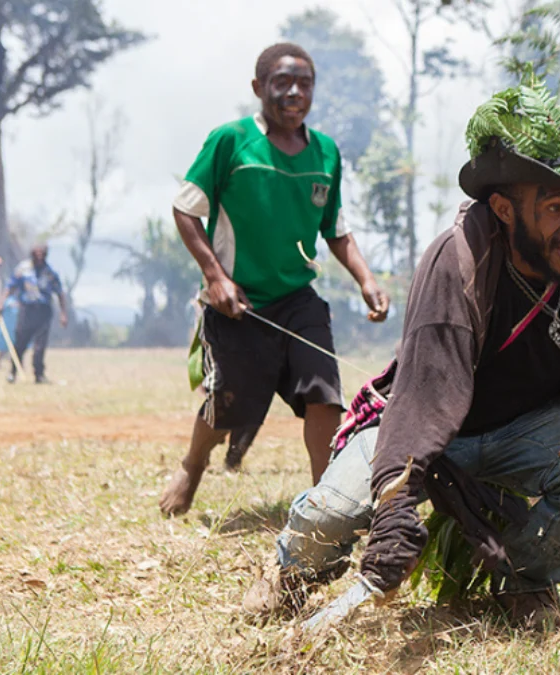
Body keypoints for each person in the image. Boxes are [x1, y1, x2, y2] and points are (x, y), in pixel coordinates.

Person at [241, 79, 560, 629]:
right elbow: (425, 398)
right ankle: (288, 575)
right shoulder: (457, 260)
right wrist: (394, 505)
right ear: (505, 209)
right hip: (422, 424)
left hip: (528, 428)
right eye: (557, 207)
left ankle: (524, 578)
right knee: (332, 514)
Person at [159, 43, 389, 517]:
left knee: (324, 393)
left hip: (298, 300)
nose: (293, 92)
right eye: (282, 81)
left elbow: (336, 228)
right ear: (258, 87)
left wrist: (367, 279)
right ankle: (193, 465)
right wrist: (215, 277)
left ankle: (328, 505)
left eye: (304, 83)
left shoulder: (326, 152)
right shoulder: (230, 141)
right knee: (227, 407)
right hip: (236, 304)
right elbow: (185, 208)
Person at [6, 243, 69, 384]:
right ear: (32, 254)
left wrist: (63, 313)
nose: (39, 257)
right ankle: (13, 372)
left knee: (40, 346)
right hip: (27, 310)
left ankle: (39, 375)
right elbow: (11, 286)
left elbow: (60, 293)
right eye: (37, 254)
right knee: (20, 343)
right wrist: (0, 303)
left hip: (43, 311)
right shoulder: (23, 269)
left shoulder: (50, 272)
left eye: (42, 254)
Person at [0, 293, 20, 369]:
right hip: (7, 326)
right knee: (4, 347)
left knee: (18, 347)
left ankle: (17, 365)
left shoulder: (20, 299)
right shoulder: (6, 300)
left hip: (16, 326)